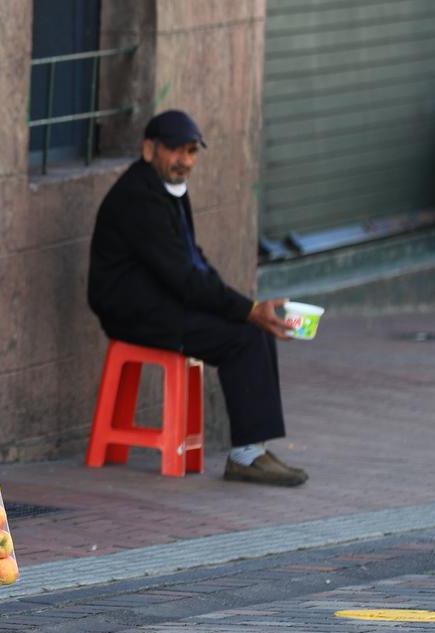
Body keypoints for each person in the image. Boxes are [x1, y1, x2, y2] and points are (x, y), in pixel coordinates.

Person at [88, 110, 307, 487]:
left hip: (164, 301)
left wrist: (246, 307)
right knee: (244, 336)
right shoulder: (139, 197)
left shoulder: (169, 188)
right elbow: (183, 277)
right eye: (175, 151)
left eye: (191, 152)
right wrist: (247, 310)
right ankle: (246, 456)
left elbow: (194, 259)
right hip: (134, 313)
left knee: (254, 327)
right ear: (149, 149)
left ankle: (252, 449)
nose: (184, 161)